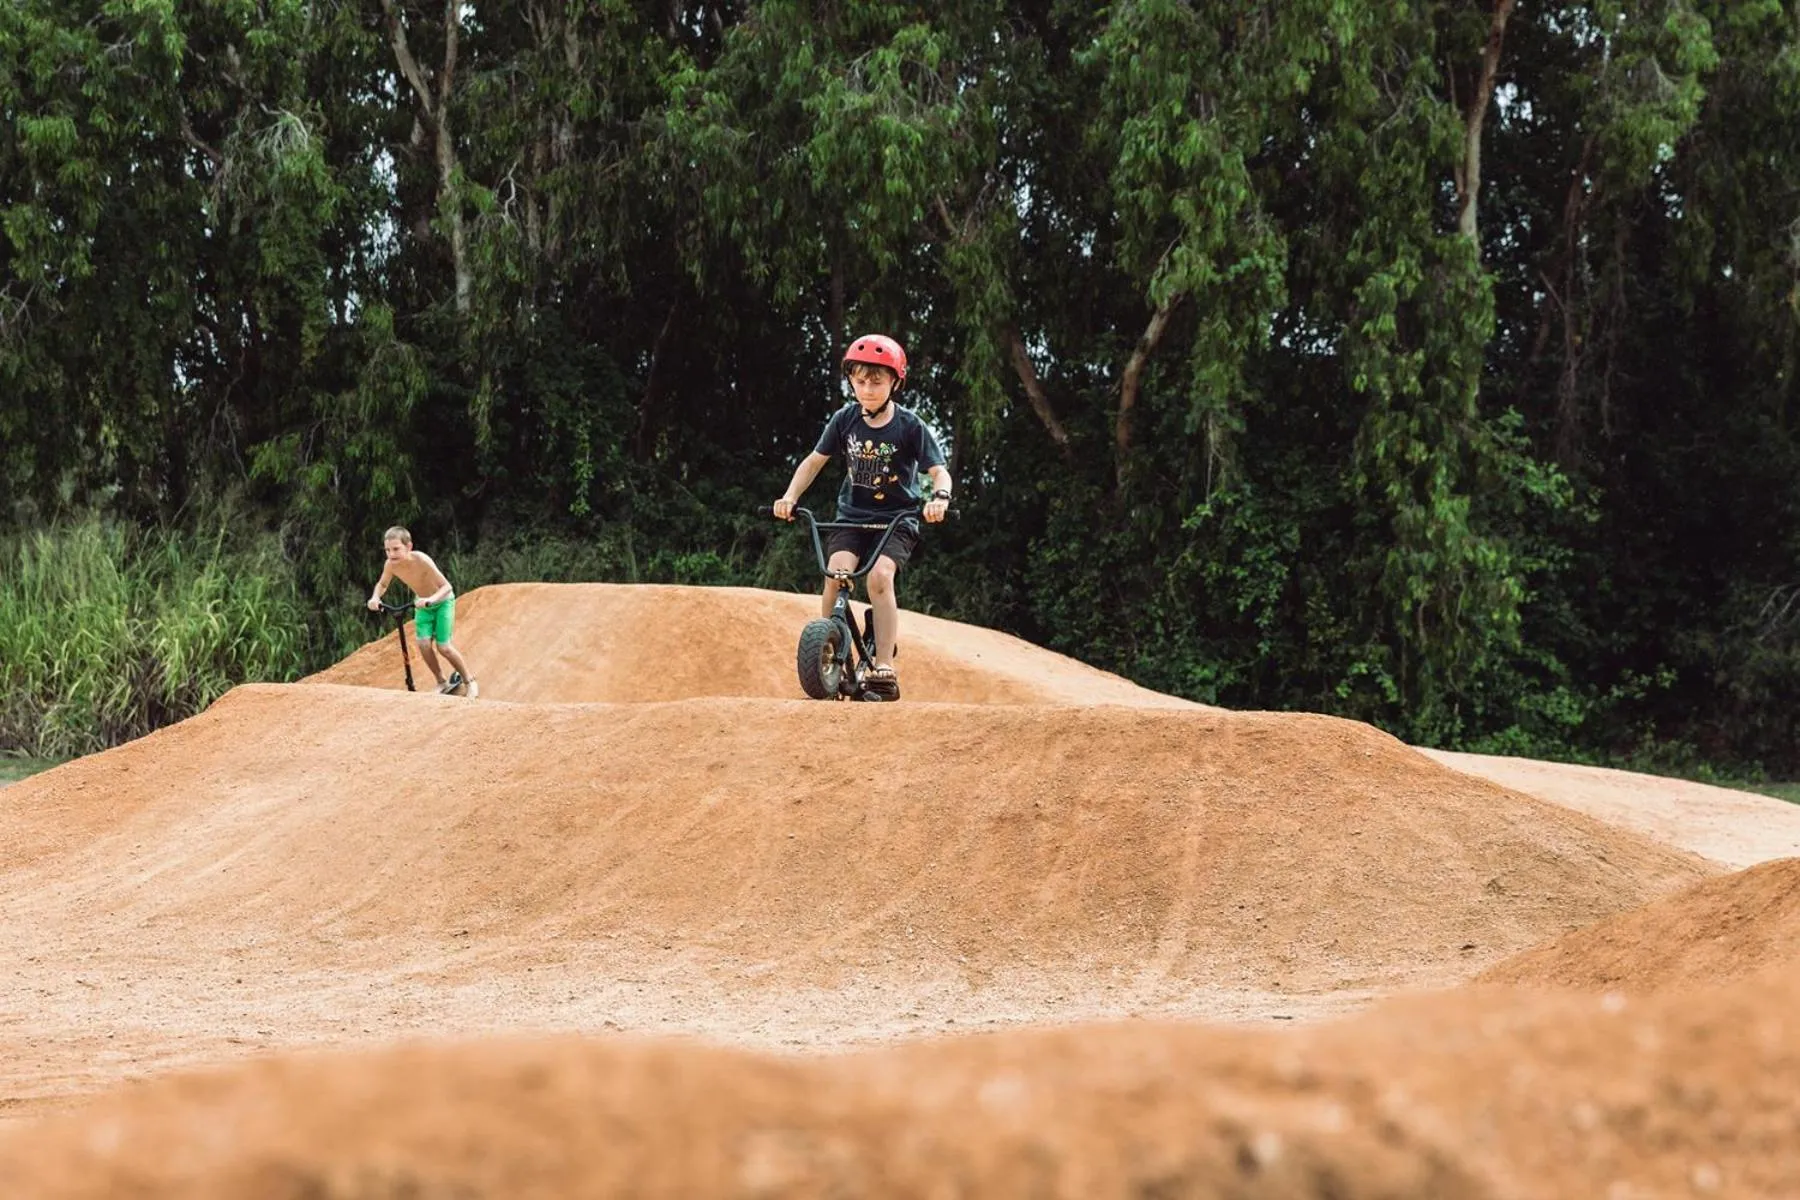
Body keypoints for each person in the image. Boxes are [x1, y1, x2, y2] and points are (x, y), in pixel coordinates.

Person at [773, 333, 952, 689]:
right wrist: (789, 496)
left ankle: (883, 663)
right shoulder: (844, 420)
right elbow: (813, 462)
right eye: (860, 381)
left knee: (879, 579)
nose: (867, 389)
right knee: (835, 573)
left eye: (877, 381)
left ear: (895, 382)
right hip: (852, 517)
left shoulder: (909, 426)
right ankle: (830, 653)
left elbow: (938, 470)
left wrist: (940, 497)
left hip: (896, 520)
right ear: (851, 381)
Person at [367, 525, 479, 698]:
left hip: (441, 602)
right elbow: (382, 584)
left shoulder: (422, 560)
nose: (391, 554)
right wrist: (375, 598)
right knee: (423, 644)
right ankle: (442, 682)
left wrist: (431, 600)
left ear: (409, 547)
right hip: (422, 606)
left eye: (396, 549)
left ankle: (469, 681)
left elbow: (447, 587)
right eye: (387, 550)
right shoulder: (390, 565)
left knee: (444, 647)